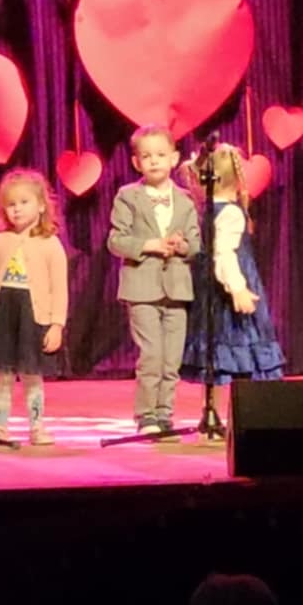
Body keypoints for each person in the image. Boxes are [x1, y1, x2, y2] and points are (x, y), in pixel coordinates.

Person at [107, 125, 201, 439]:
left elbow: (195, 244)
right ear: (137, 163)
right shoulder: (128, 196)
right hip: (142, 289)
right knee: (152, 354)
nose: (154, 161)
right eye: (146, 156)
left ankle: (164, 414)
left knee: (171, 358)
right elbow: (116, 240)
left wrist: (180, 245)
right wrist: (150, 245)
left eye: (161, 154)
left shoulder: (185, 200)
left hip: (176, 289)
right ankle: (146, 413)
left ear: (174, 158)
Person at [0, 169, 68, 446]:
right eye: (11, 204)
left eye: (24, 202)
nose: (17, 209)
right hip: (3, 312)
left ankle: (37, 426)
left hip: (33, 315)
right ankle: (0, 427)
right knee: (3, 373)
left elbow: (59, 288)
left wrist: (57, 324)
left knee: (32, 373)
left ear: (41, 205)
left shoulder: (51, 244)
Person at [180, 143, 288, 396]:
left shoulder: (209, 209)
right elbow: (224, 254)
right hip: (226, 294)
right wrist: (238, 289)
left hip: (210, 292)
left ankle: (216, 409)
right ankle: (241, 408)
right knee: (238, 351)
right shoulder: (229, 212)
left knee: (217, 360)